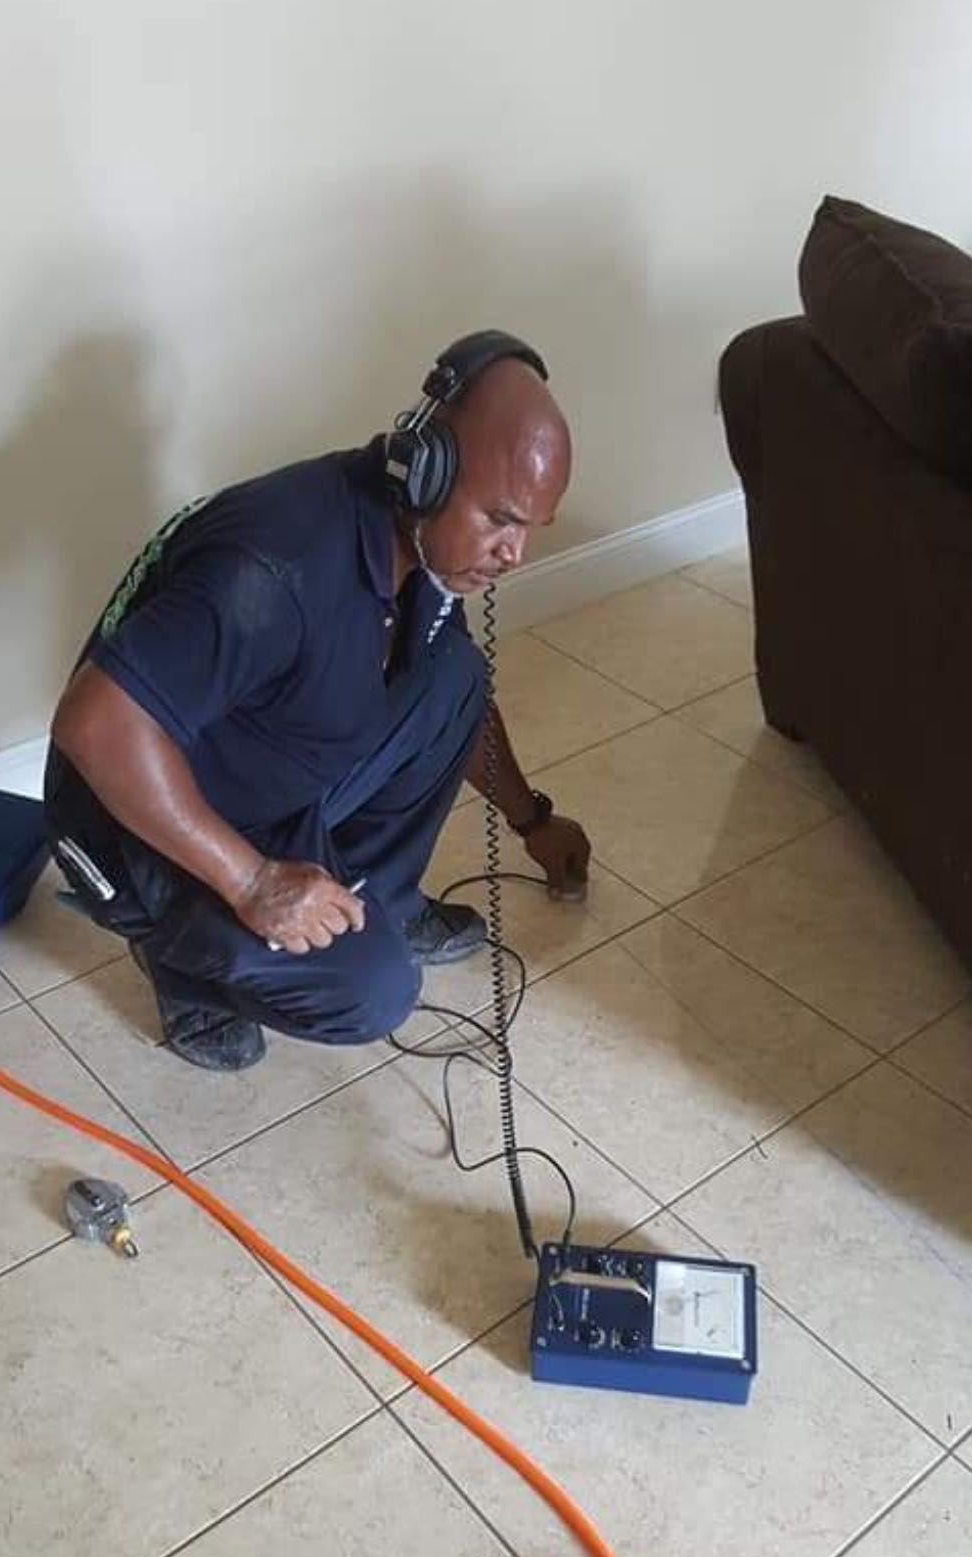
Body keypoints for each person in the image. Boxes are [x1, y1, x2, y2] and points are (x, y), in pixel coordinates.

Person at [45, 331, 591, 1071]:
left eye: (531, 529)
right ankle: (186, 972)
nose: (514, 555)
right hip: (135, 826)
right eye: (500, 518)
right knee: (373, 990)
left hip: (258, 772)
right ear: (425, 471)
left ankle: (379, 903)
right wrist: (254, 880)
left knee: (454, 675)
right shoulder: (275, 571)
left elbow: (457, 714)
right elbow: (95, 724)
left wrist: (533, 819)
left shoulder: (418, 551)